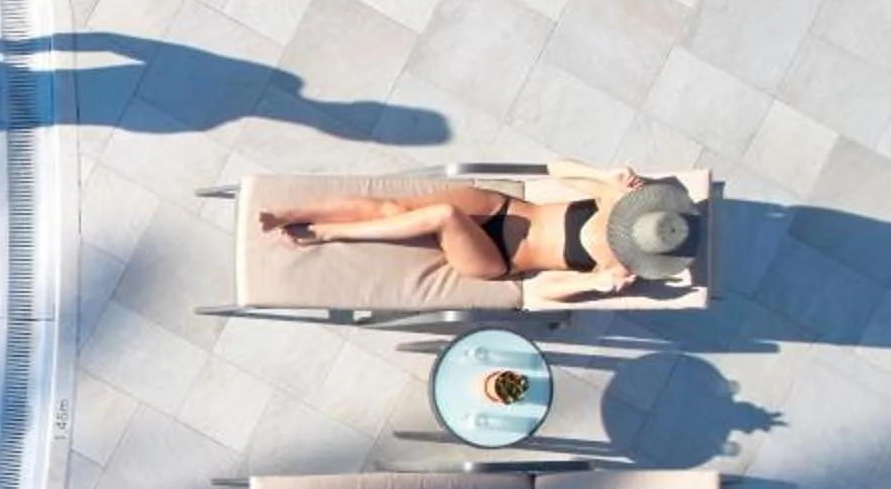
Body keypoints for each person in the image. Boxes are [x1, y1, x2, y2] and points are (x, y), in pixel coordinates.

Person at [257, 164, 700, 301]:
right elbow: (556, 167)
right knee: (392, 208)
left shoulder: (616, 267)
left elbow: (544, 293)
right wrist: (606, 173)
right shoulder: (615, 199)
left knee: (444, 216)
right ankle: (290, 212)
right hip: (505, 208)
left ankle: (334, 234)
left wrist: (596, 284)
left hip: (497, 261)